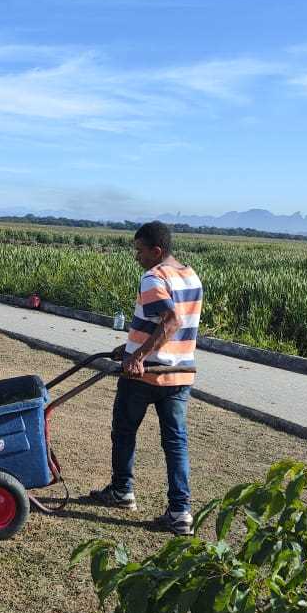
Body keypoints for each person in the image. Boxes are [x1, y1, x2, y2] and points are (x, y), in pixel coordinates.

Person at [89, 221, 203, 536]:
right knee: (175, 443)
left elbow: (171, 321)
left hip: (146, 375)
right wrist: (127, 347)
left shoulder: (153, 277)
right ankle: (181, 512)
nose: (136, 257)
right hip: (179, 374)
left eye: (139, 251)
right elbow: (160, 324)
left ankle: (122, 490)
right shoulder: (190, 275)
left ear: (156, 250)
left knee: (124, 431)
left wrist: (137, 357)